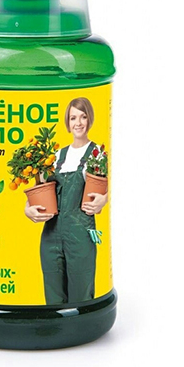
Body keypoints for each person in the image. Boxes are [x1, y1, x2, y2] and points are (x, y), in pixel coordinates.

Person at [24, 97, 108, 304]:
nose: (78, 123)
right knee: (53, 294)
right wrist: (28, 209)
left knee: (81, 293)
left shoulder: (97, 154)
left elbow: (112, 185)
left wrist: (104, 199)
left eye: (83, 117)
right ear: (67, 123)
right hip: (51, 235)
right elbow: (39, 189)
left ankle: (81, 323)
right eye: (73, 118)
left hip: (81, 234)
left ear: (90, 119)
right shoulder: (55, 156)